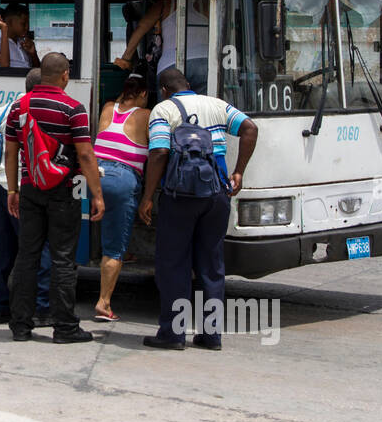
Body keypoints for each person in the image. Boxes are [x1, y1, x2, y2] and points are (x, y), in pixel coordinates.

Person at [138, 67, 258, 351]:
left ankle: (173, 334)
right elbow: (250, 128)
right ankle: (211, 335)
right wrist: (239, 171)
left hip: (179, 196)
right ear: (189, 85)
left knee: (174, 265)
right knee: (212, 266)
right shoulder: (215, 104)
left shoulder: (163, 110)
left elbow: (159, 153)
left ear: (164, 89)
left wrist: (147, 197)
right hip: (216, 193)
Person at [4, 52, 105, 343]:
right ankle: (65, 328)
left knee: (27, 257)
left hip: (30, 188)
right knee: (62, 259)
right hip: (65, 189)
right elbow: (85, 154)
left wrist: (13, 190)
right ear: (64, 76)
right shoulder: (74, 108)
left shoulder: (18, 107)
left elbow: (11, 152)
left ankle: (20, 326)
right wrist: (96, 195)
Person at [0, 69, 53, 326]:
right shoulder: (41, 111)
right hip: (24, 188)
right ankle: (40, 307)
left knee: (1, 249)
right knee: (37, 249)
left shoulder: (3, 109)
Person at [91, 72, 152, 322]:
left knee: (110, 230)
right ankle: (104, 303)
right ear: (144, 94)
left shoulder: (107, 108)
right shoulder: (147, 116)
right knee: (114, 247)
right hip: (121, 178)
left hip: (96, 176)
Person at [0, 2, 40, 68]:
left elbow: (37, 70)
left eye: (28, 24)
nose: (27, 27)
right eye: (23, 24)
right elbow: (4, 65)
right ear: (10, 22)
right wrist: (4, 29)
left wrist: (33, 54)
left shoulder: (23, 42)